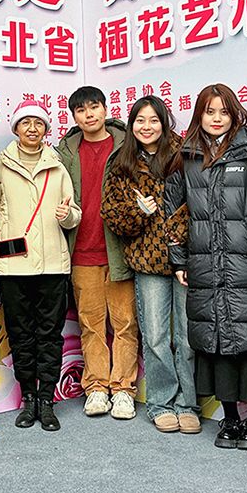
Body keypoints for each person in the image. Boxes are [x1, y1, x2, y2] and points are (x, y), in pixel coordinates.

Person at [166, 84, 247, 451]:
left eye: (224, 112)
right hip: (205, 262)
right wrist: (178, 259)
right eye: (210, 112)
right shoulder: (186, 156)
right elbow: (174, 214)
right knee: (216, 341)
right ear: (199, 116)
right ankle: (231, 418)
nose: (216, 119)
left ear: (235, 115)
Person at [100, 96, 199, 434]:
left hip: (186, 257)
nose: (147, 127)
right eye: (140, 121)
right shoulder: (122, 162)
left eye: (153, 120)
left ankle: (188, 403)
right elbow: (111, 215)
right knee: (155, 336)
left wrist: (178, 231)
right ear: (131, 125)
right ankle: (160, 403)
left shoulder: (185, 154)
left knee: (186, 336)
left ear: (164, 123)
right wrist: (138, 212)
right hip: (147, 260)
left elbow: (200, 201)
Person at [0, 100, 81, 432]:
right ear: (15, 128)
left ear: (46, 129)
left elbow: (74, 213)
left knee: (50, 335)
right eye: (25, 123)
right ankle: (29, 398)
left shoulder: (57, 166)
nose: (32, 128)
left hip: (53, 265)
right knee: (21, 335)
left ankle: (47, 400)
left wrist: (67, 215)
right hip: (13, 267)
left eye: (38, 123)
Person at [57, 87, 139, 421]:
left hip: (119, 251)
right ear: (73, 117)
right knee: (90, 326)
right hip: (82, 251)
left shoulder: (127, 144)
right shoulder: (65, 152)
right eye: (81, 110)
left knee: (125, 324)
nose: (89, 114)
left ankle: (123, 390)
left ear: (106, 109)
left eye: (94, 107)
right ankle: (96, 388)